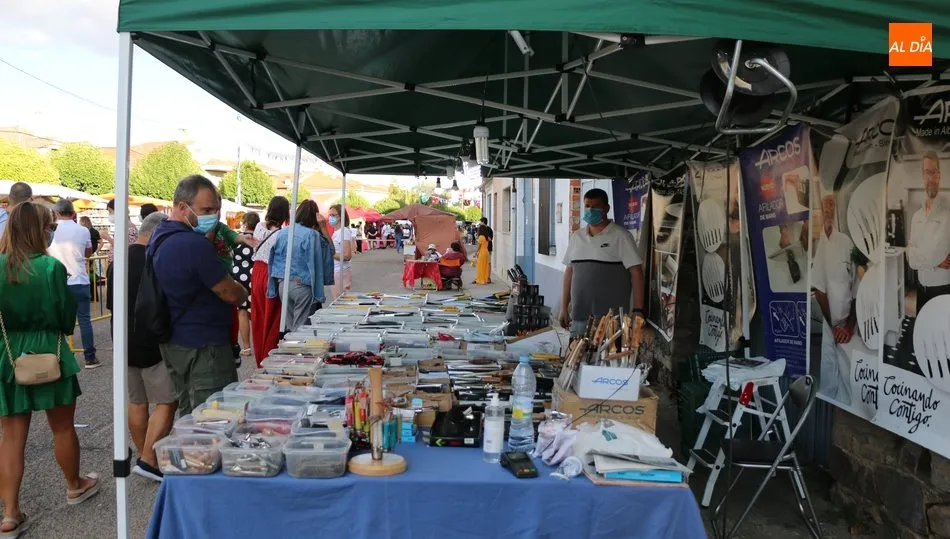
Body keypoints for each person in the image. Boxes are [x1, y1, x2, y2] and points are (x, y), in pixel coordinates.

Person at [0, 202, 100, 536]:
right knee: (62, 427)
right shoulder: (50, 267)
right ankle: (74, 484)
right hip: (50, 351)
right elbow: (64, 318)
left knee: (12, 437)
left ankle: (10, 514)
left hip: (9, 353)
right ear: (39, 229)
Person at [149, 175, 248, 414]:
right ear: (183, 207)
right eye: (206, 209)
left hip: (177, 342)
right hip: (204, 347)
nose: (213, 216)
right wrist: (242, 290)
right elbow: (230, 293)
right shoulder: (193, 244)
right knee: (213, 416)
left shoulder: (159, 236)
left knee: (190, 413)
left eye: (216, 210)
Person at [124, 212, 178, 482]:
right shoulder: (153, 259)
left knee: (137, 401)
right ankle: (148, 457)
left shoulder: (118, 261)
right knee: (167, 400)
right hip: (152, 339)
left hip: (124, 340)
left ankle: (143, 454)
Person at [559, 188, 645, 338]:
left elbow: (636, 273)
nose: (591, 210)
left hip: (611, 321)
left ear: (607, 208)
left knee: (607, 359)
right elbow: (569, 272)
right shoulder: (576, 237)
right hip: (579, 316)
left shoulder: (621, 236)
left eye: (596, 206)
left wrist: (638, 309)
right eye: (587, 206)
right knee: (576, 358)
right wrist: (564, 308)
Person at [811, 195, 856, 403]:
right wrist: (833, 327)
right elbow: (819, 290)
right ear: (820, 209)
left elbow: (856, 287)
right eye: (824, 204)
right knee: (829, 382)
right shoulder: (820, 243)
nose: (828, 209)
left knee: (851, 381)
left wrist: (847, 327)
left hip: (850, 327)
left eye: (831, 204)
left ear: (835, 207)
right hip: (831, 327)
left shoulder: (846, 242)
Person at [267, 200, 334, 332]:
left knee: (290, 328)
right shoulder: (312, 235)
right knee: (300, 330)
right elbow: (330, 252)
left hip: (283, 284)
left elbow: (274, 257)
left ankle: (289, 351)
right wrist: (324, 229)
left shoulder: (283, 232)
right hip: (303, 285)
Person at [48, 200, 99, 369]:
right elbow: (88, 253)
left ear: (56, 212)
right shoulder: (83, 230)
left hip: (56, 281)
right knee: (85, 320)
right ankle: (90, 358)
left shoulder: (50, 230)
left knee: (55, 321)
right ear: (72, 212)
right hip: (79, 279)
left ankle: (56, 358)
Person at [908, 151, 950, 312]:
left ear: (939, 175)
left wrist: (923, 257)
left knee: (943, 335)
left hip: (942, 289)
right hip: (921, 290)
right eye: (927, 172)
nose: (931, 178)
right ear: (922, 176)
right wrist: (936, 261)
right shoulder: (916, 216)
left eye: (934, 172)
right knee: (922, 334)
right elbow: (911, 259)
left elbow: (937, 251)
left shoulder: (947, 213)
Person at [251, 196, 289, 367]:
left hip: (256, 273)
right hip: (271, 274)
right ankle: (268, 359)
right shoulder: (282, 234)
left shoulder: (259, 227)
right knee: (274, 318)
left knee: (258, 317)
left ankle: (260, 358)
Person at [104, 198, 139, 341]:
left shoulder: (128, 228)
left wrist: (108, 239)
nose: (110, 215)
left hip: (120, 271)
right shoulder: (125, 226)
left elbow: (125, 249)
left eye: (110, 212)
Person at [233, 212, 259, 359]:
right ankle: (258, 343)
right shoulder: (258, 239)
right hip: (254, 277)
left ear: (245, 223)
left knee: (242, 312)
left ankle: (247, 347)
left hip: (239, 278)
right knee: (255, 311)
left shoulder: (237, 238)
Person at [328, 204, 353, 299]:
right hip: (337, 271)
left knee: (340, 301)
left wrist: (329, 252)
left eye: (333, 215)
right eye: (329, 215)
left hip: (340, 271)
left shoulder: (343, 232)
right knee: (339, 299)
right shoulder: (337, 232)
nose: (330, 217)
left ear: (340, 217)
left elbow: (347, 255)